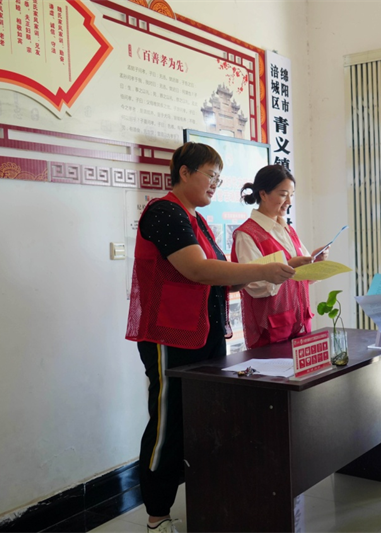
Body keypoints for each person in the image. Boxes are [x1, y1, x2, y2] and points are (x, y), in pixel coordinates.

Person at [125, 143, 295, 533]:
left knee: (202, 420)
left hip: (203, 334)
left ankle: (203, 503)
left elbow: (224, 273)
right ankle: (156, 518)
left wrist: (281, 266)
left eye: (219, 177)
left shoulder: (196, 218)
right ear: (184, 173)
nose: (216, 183)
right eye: (210, 175)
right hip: (170, 336)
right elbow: (198, 270)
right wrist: (263, 271)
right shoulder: (164, 212)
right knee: (168, 426)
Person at [232, 165, 329, 349]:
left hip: (299, 324)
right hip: (270, 330)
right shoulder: (247, 234)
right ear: (263, 194)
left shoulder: (287, 229)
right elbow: (255, 285)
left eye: (291, 195)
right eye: (284, 195)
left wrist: (315, 262)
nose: (289, 201)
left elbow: (303, 276)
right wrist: (289, 265)